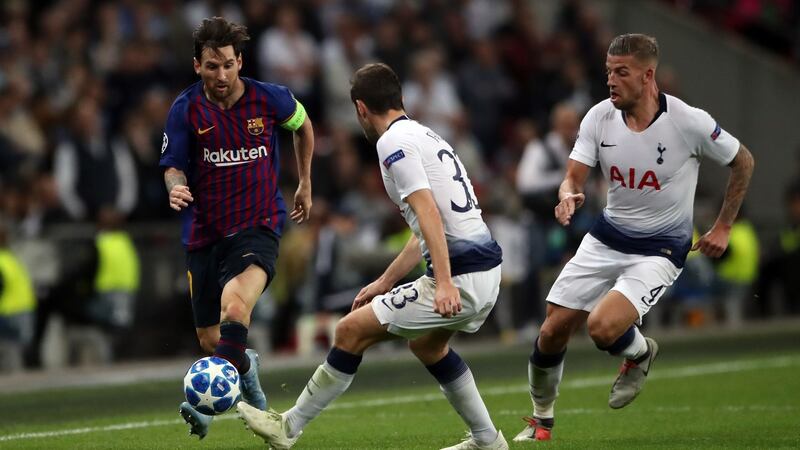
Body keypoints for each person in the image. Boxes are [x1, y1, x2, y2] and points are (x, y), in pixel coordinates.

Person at [238, 63, 508, 450]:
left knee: (349, 330)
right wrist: (385, 281)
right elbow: (426, 229)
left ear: (361, 109)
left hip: (461, 276)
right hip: (486, 269)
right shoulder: (427, 135)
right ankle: (487, 440)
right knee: (428, 345)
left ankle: (289, 427)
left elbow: (429, 212)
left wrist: (445, 282)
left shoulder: (391, 144)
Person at [514, 34, 755, 442]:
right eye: (608, 71)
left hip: (660, 248)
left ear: (648, 75)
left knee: (603, 328)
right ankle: (541, 421)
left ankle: (639, 353)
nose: (611, 81)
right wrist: (567, 193)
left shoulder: (687, 121)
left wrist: (724, 225)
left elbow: (743, 160)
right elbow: (573, 176)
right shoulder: (597, 117)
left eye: (621, 72)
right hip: (606, 236)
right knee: (552, 330)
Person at [158, 17, 314, 439]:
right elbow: (173, 166)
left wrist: (304, 181)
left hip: (257, 226)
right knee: (213, 340)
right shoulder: (186, 109)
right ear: (197, 67)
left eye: (228, 64)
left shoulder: (270, 99)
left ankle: (201, 408)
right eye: (212, 66)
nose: (221, 75)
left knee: (235, 308)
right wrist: (176, 188)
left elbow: (302, 125)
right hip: (204, 235)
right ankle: (249, 372)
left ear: (240, 61)